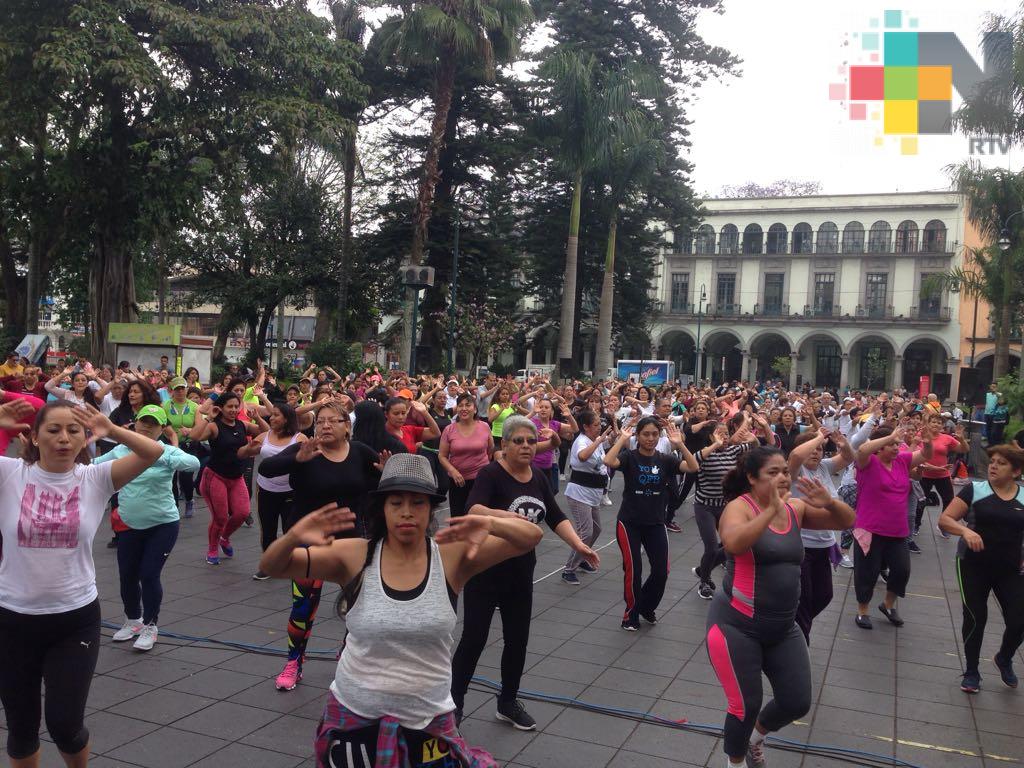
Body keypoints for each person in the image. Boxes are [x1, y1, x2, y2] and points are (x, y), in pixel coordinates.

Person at [259, 454, 542, 768]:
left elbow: (531, 538)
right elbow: (272, 565)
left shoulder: (451, 557)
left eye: (418, 503)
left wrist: (489, 522)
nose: (407, 512)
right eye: (396, 503)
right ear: (383, 507)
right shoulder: (354, 554)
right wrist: (295, 535)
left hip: (428, 720)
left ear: (431, 509)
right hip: (354, 718)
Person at [0, 401, 163, 768]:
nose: (63, 438)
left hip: (74, 620)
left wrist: (113, 429)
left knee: (65, 724)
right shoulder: (10, 474)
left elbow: (153, 450)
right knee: (21, 727)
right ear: (35, 435)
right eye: (53, 430)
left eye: (73, 430)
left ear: (84, 437)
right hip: (12, 618)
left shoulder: (96, 478)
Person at [706, 447, 855, 768]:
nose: (783, 478)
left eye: (785, 471)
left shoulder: (796, 508)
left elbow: (848, 520)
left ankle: (754, 740)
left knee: (796, 701)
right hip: (736, 626)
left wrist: (828, 501)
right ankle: (734, 763)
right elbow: (733, 543)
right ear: (751, 477)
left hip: (783, 627)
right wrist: (768, 511)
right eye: (773, 473)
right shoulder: (738, 508)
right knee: (745, 705)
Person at [451, 416, 599, 730]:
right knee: (473, 639)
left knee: (517, 641)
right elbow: (473, 509)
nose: (526, 447)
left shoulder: (538, 478)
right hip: (486, 572)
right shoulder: (491, 474)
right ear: (504, 445)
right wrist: (503, 516)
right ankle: (454, 703)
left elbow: (556, 516)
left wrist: (579, 545)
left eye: (531, 441)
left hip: (520, 574)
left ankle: (508, 702)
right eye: (518, 441)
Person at [259, 401, 385, 691]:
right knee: (303, 605)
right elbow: (266, 468)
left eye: (333, 421)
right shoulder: (306, 450)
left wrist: (385, 470)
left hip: (350, 539)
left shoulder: (360, 452)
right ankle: (294, 661)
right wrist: (296, 461)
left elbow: (378, 479)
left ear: (347, 426)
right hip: (308, 541)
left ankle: (348, 653)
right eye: (321, 421)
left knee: (358, 605)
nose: (325, 426)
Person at [97, 405, 199, 651]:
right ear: (135, 422)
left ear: (162, 429)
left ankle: (151, 626)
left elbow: (193, 463)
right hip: (130, 523)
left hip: (162, 524)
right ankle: (133, 620)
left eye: (153, 424)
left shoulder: (166, 451)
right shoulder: (120, 450)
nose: (146, 427)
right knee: (127, 576)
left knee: (149, 574)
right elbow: (91, 467)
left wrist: (159, 455)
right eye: (143, 421)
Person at [938, 444, 1024, 694]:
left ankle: (1004, 658)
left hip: (1010, 568)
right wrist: (966, 530)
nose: (993, 466)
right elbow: (945, 519)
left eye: (1002, 463)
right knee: (976, 617)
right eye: (993, 461)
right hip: (972, 565)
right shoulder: (975, 490)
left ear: (1016, 471)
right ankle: (972, 671)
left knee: (1019, 619)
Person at [603, 417, 697, 629]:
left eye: (655, 434)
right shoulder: (630, 457)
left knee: (662, 571)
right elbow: (609, 461)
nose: (651, 438)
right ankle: (631, 614)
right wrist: (622, 439)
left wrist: (680, 444)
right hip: (629, 522)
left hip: (655, 522)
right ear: (638, 435)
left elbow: (693, 466)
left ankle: (646, 606)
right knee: (634, 570)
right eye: (645, 434)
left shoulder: (666, 459)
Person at [852, 424, 933, 629]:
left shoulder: (902, 462)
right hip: (869, 528)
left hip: (897, 530)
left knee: (901, 570)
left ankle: (888, 605)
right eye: (892, 444)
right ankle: (863, 611)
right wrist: (889, 435)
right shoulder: (867, 463)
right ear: (879, 447)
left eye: (898, 444)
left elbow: (925, 455)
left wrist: (928, 440)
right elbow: (862, 449)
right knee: (867, 572)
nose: (897, 448)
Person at [788, 427, 854, 642]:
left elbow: (848, 458)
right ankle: (799, 640)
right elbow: (796, 455)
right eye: (812, 449)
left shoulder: (824, 467)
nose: (816, 453)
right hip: (801, 545)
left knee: (825, 595)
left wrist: (843, 443)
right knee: (804, 599)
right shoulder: (795, 471)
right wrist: (818, 436)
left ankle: (791, 626)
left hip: (824, 545)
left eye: (820, 449)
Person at [189, 393, 264, 565]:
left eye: (236, 406)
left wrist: (258, 418)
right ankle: (213, 548)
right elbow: (194, 436)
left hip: (236, 477)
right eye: (229, 406)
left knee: (242, 513)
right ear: (220, 408)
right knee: (220, 517)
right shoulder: (214, 427)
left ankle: (225, 537)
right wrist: (209, 417)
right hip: (215, 477)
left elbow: (267, 432)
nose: (233, 410)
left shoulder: (242, 425)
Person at [238, 402, 306, 580]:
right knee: (268, 529)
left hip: (291, 491)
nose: (272, 418)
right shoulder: (264, 436)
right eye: (272, 415)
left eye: (276, 415)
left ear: (287, 419)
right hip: (266, 489)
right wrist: (248, 449)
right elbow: (241, 454)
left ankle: (291, 562)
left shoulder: (299, 439)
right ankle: (268, 566)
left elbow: (309, 461)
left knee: (290, 529)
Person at [692, 418, 757, 600]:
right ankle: (704, 581)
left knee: (731, 546)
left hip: (725, 506)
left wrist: (753, 437)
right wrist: (715, 445)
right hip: (704, 506)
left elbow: (755, 447)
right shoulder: (705, 454)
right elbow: (692, 461)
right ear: (711, 437)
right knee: (712, 547)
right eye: (720, 434)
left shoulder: (734, 450)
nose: (725, 437)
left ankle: (702, 569)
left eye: (726, 434)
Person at [561, 410, 612, 585]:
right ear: (586, 427)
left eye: (600, 424)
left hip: (593, 493)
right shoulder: (581, 441)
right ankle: (569, 569)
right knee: (586, 533)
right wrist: (599, 440)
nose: (599, 428)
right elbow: (582, 457)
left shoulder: (595, 441)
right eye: (596, 425)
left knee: (596, 530)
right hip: (579, 493)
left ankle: (583, 558)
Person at [438, 393, 493, 518]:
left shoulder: (484, 427)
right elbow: (442, 456)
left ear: (475, 409)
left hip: (480, 481)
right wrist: (453, 471)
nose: (464, 408)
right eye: (460, 405)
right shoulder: (449, 429)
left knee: (478, 519)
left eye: (468, 405)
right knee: (458, 518)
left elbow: (490, 451)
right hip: (457, 481)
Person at [918, 412, 968, 540]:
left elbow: (964, 450)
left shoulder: (947, 438)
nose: (936, 424)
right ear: (928, 423)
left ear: (942, 426)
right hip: (924, 474)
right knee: (920, 501)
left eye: (939, 423)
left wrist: (961, 438)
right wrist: (936, 467)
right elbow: (917, 456)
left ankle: (943, 526)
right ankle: (916, 524)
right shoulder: (921, 435)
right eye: (933, 422)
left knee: (949, 500)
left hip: (943, 475)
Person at [163, 377, 201, 518]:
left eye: (182, 388)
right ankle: (174, 506)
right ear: (171, 391)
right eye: (177, 389)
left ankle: (189, 500)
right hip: (170, 445)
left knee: (186, 477)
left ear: (186, 389)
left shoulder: (194, 407)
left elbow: (200, 426)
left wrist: (190, 431)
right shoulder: (165, 406)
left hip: (188, 445)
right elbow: (162, 425)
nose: (180, 391)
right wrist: (170, 433)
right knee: (171, 477)